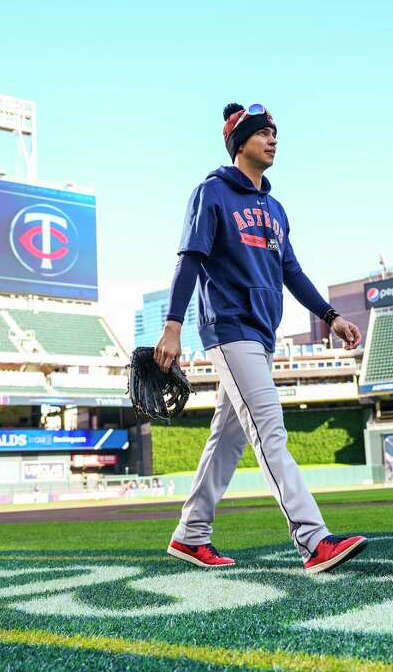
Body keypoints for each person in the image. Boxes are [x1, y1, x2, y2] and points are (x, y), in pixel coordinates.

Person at [155, 103, 367, 575]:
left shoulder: (275, 209)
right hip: (229, 327)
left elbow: (290, 269)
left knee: (227, 440)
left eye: (275, 134)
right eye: (263, 133)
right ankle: (313, 541)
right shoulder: (211, 193)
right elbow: (189, 258)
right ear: (240, 142)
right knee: (269, 428)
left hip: (262, 332)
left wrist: (329, 315)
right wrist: (172, 325)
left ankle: (191, 535)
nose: (273, 140)